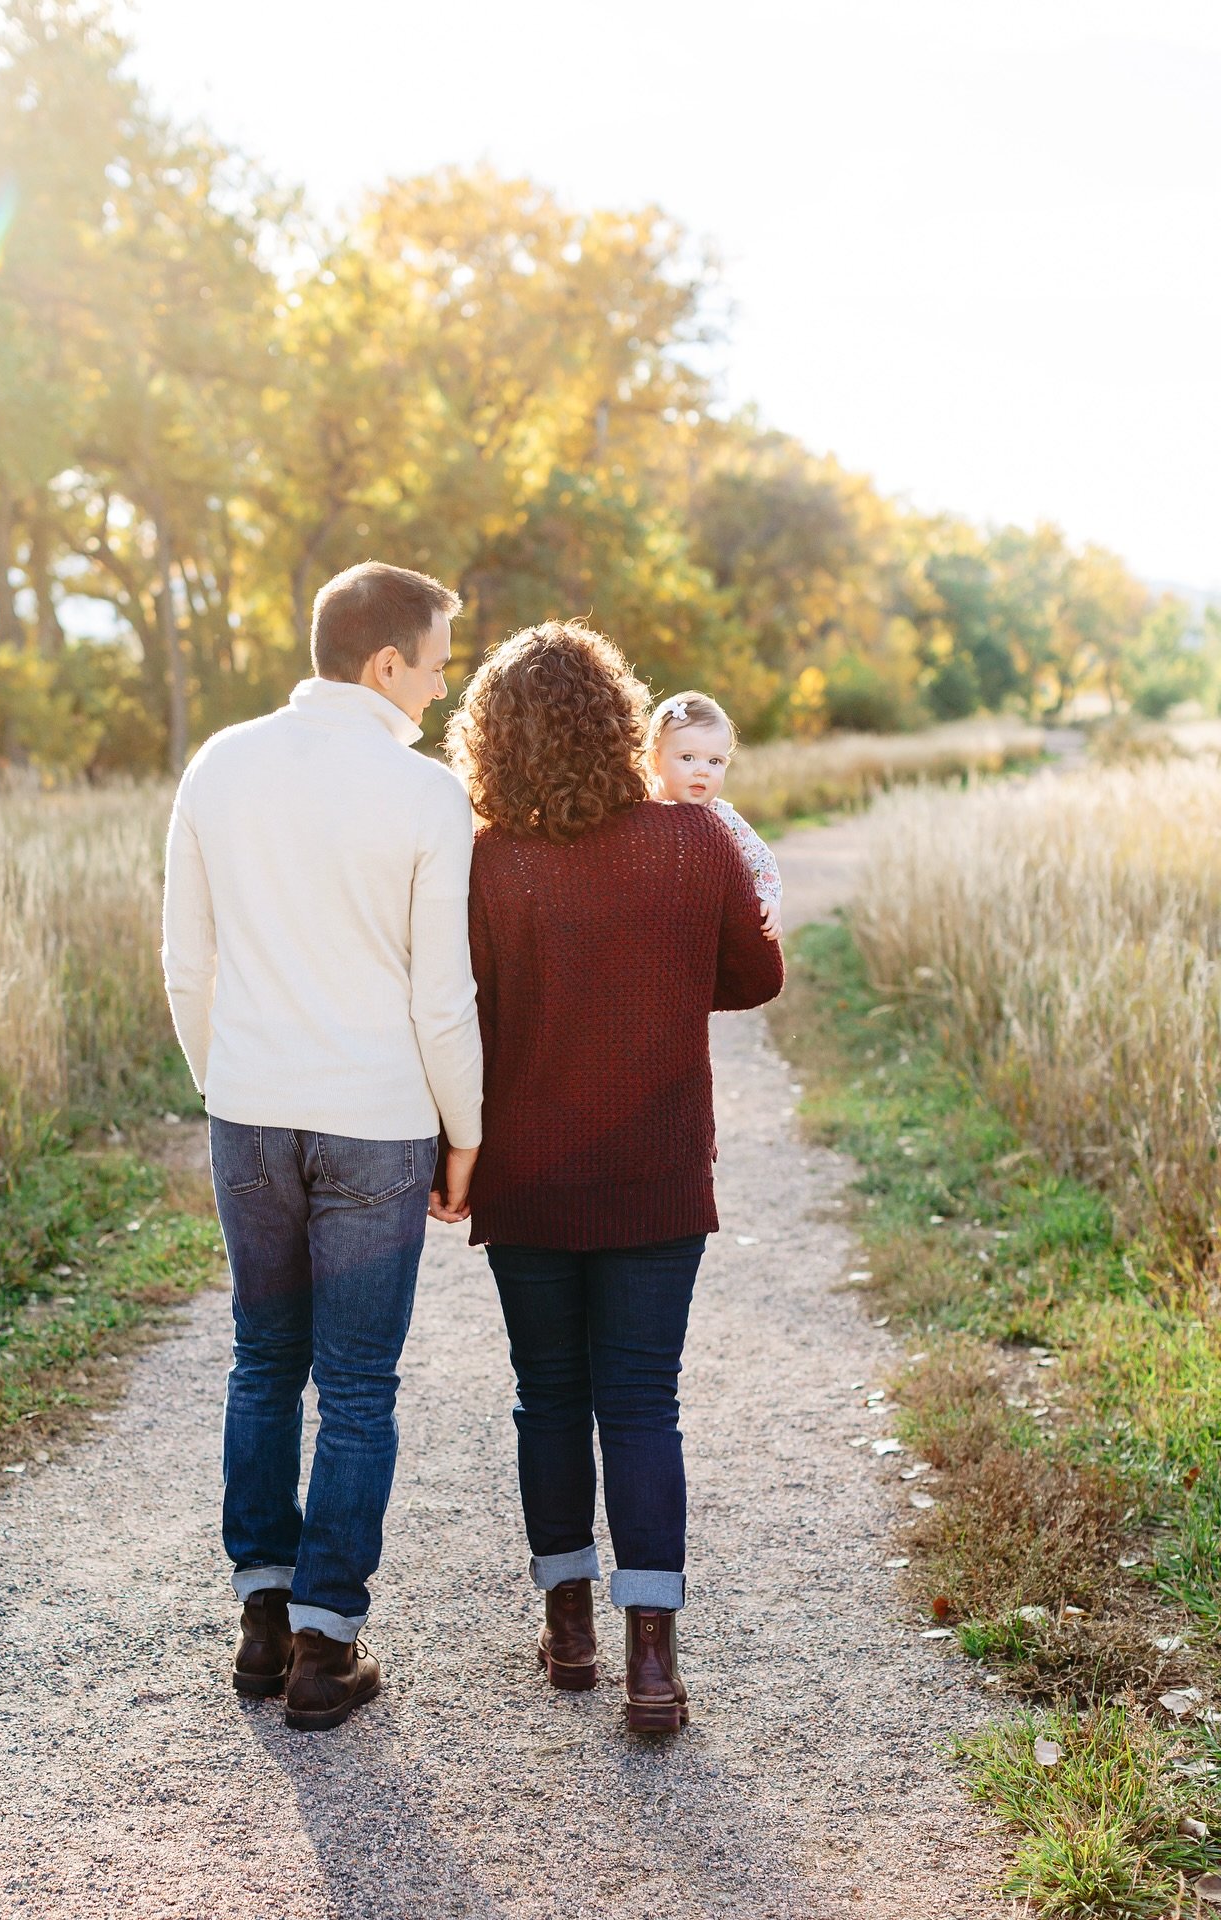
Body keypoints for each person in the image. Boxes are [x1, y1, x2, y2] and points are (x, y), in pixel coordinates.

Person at [437, 620, 784, 1736]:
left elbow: (466, 1008)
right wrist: (666, 979)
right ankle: (652, 1663)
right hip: (656, 1171)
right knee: (642, 1403)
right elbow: (756, 975)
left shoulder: (487, 861)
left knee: (548, 1395)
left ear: (492, 743)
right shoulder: (695, 842)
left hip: (529, 1174)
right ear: (622, 722)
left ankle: (571, 1628)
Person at [162, 560, 483, 1732]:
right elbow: (442, 998)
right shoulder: (423, 795)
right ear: (384, 662)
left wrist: (230, 1084)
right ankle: (323, 1647)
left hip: (248, 1108)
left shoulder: (221, 764)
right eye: (439, 661)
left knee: (263, 1360)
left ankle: (260, 1615)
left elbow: (185, 966)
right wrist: (468, 1136)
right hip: (379, 1123)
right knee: (355, 1388)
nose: (444, 688)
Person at [645, 690, 783, 940]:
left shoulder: (721, 817)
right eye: (688, 758)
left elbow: (762, 861)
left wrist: (769, 900)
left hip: (703, 931)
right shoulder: (638, 812)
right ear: (655, 761)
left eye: (715, 762)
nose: (703, 771)